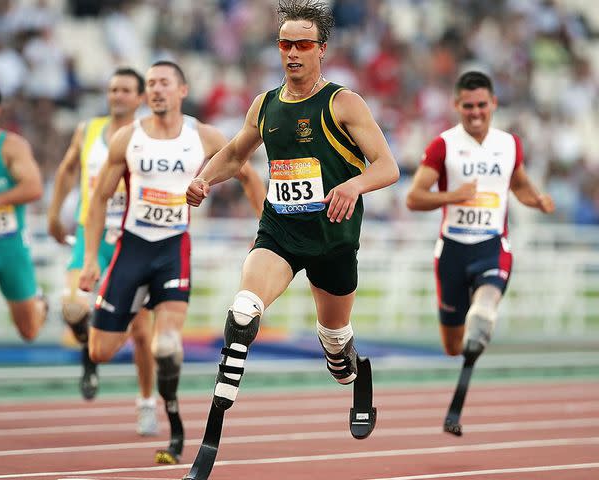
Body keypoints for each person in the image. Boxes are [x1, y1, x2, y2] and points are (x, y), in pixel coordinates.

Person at [186, 0, 399, 428]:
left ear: (322, 49)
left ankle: (350, 364)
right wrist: (204, 180)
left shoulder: (343, 103)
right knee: (245, 309)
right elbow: (233, 154)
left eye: (303, 44)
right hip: (279, 232)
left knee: (337, 348)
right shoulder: (265, 105)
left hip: (333, 240)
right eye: (285, 44)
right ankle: (217, 415)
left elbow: (387, 167)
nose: (293, 53)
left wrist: (354, 184)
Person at [78, 60, 265, 464]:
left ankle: (177, 430)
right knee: (99, 351)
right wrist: (91, 257)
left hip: (172, 250)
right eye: (151, 84)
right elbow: (98, 200)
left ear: (182, 90)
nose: (157, 89)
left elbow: (247, 174)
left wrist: (266, 230)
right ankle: (128, 318)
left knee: (167, 343)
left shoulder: (204, 135)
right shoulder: (128, 138)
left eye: (165, 83)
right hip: (131, 247)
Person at [406, 71, 555, 432]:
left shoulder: (509, 144)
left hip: (492, 245)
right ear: (457, 105)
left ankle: (485, 311)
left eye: (482, 105)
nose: (475, 113)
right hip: (453, 251)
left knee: (485, 304)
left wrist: (535, 199)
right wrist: (451, 196)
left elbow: (517, 184)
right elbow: (414, 197)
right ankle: (475, 319)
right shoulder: (443, 145)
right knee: (453, 347)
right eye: (468, 106)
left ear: (493, 104)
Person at [47, 68, 158, 436]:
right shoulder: (87, 130)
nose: (117, 96)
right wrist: (54, 212)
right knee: (73, 306)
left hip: (132, 237)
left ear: (140, 97)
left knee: (142, 332)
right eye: (113, 89)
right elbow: (65, 170)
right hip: (90, 233)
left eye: (126, 90)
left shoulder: (149, 134)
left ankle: (146, 404)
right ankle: (90, 353)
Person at [0, 80, 47, 341]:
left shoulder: (11, 147)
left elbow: (34, 187)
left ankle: (40, 304)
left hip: (11, 247)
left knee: (29, 331)